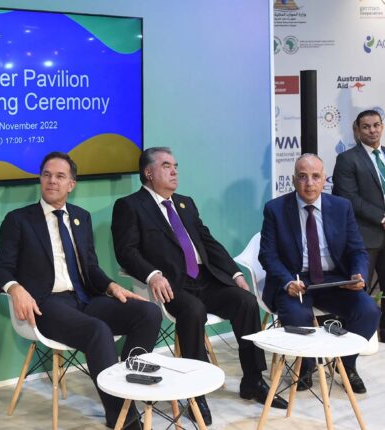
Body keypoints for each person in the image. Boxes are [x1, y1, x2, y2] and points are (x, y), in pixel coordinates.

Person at [111, 147, 287, 426]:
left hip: (206, 278)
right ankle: (196, 393)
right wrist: (153, 275)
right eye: (166, 166)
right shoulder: (130, 206)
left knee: (245, 301)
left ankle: (253, 380)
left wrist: (234, 273)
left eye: (175, 166)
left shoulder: (184, 203)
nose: (174, 171)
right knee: (193, 310)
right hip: (171, 285)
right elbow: (126, 251)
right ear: (148, 172)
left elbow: (208, 242)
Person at [0, 151, 162, 430]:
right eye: (46, 175)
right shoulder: (19, 220)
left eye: (60, 176)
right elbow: (1, 269)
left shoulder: (81, 217)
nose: (52, 181)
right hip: (46, 304)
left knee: (148, 313)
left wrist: (111, 286)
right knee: (98, 330)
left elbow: (91, 268)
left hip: (85, 298)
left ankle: (128, 386)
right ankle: (122, 416)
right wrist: (15, 288)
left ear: (71, 184)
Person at [260, 154, 380, 393]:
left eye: (316, 177)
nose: (309, 183)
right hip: (296, 279)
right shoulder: (276, 209)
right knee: (297, 317)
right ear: (293, 180)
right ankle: (306, 366)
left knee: (369, 311)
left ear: (325, 179)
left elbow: (357, 250)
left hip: (334, 279)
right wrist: (287, 282)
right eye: (302, 177)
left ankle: (346, 365)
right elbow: (268, 255)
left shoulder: (341, 207)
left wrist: (358, 274)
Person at [333, 109, 385, 342]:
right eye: (366, 126)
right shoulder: (347, 159)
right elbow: (349, 198)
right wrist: (381, 218)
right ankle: (355, 340)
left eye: (376, 125)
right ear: (357, 130)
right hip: (365, 237)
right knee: (359, 292)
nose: (372, 130)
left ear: (382, 127)